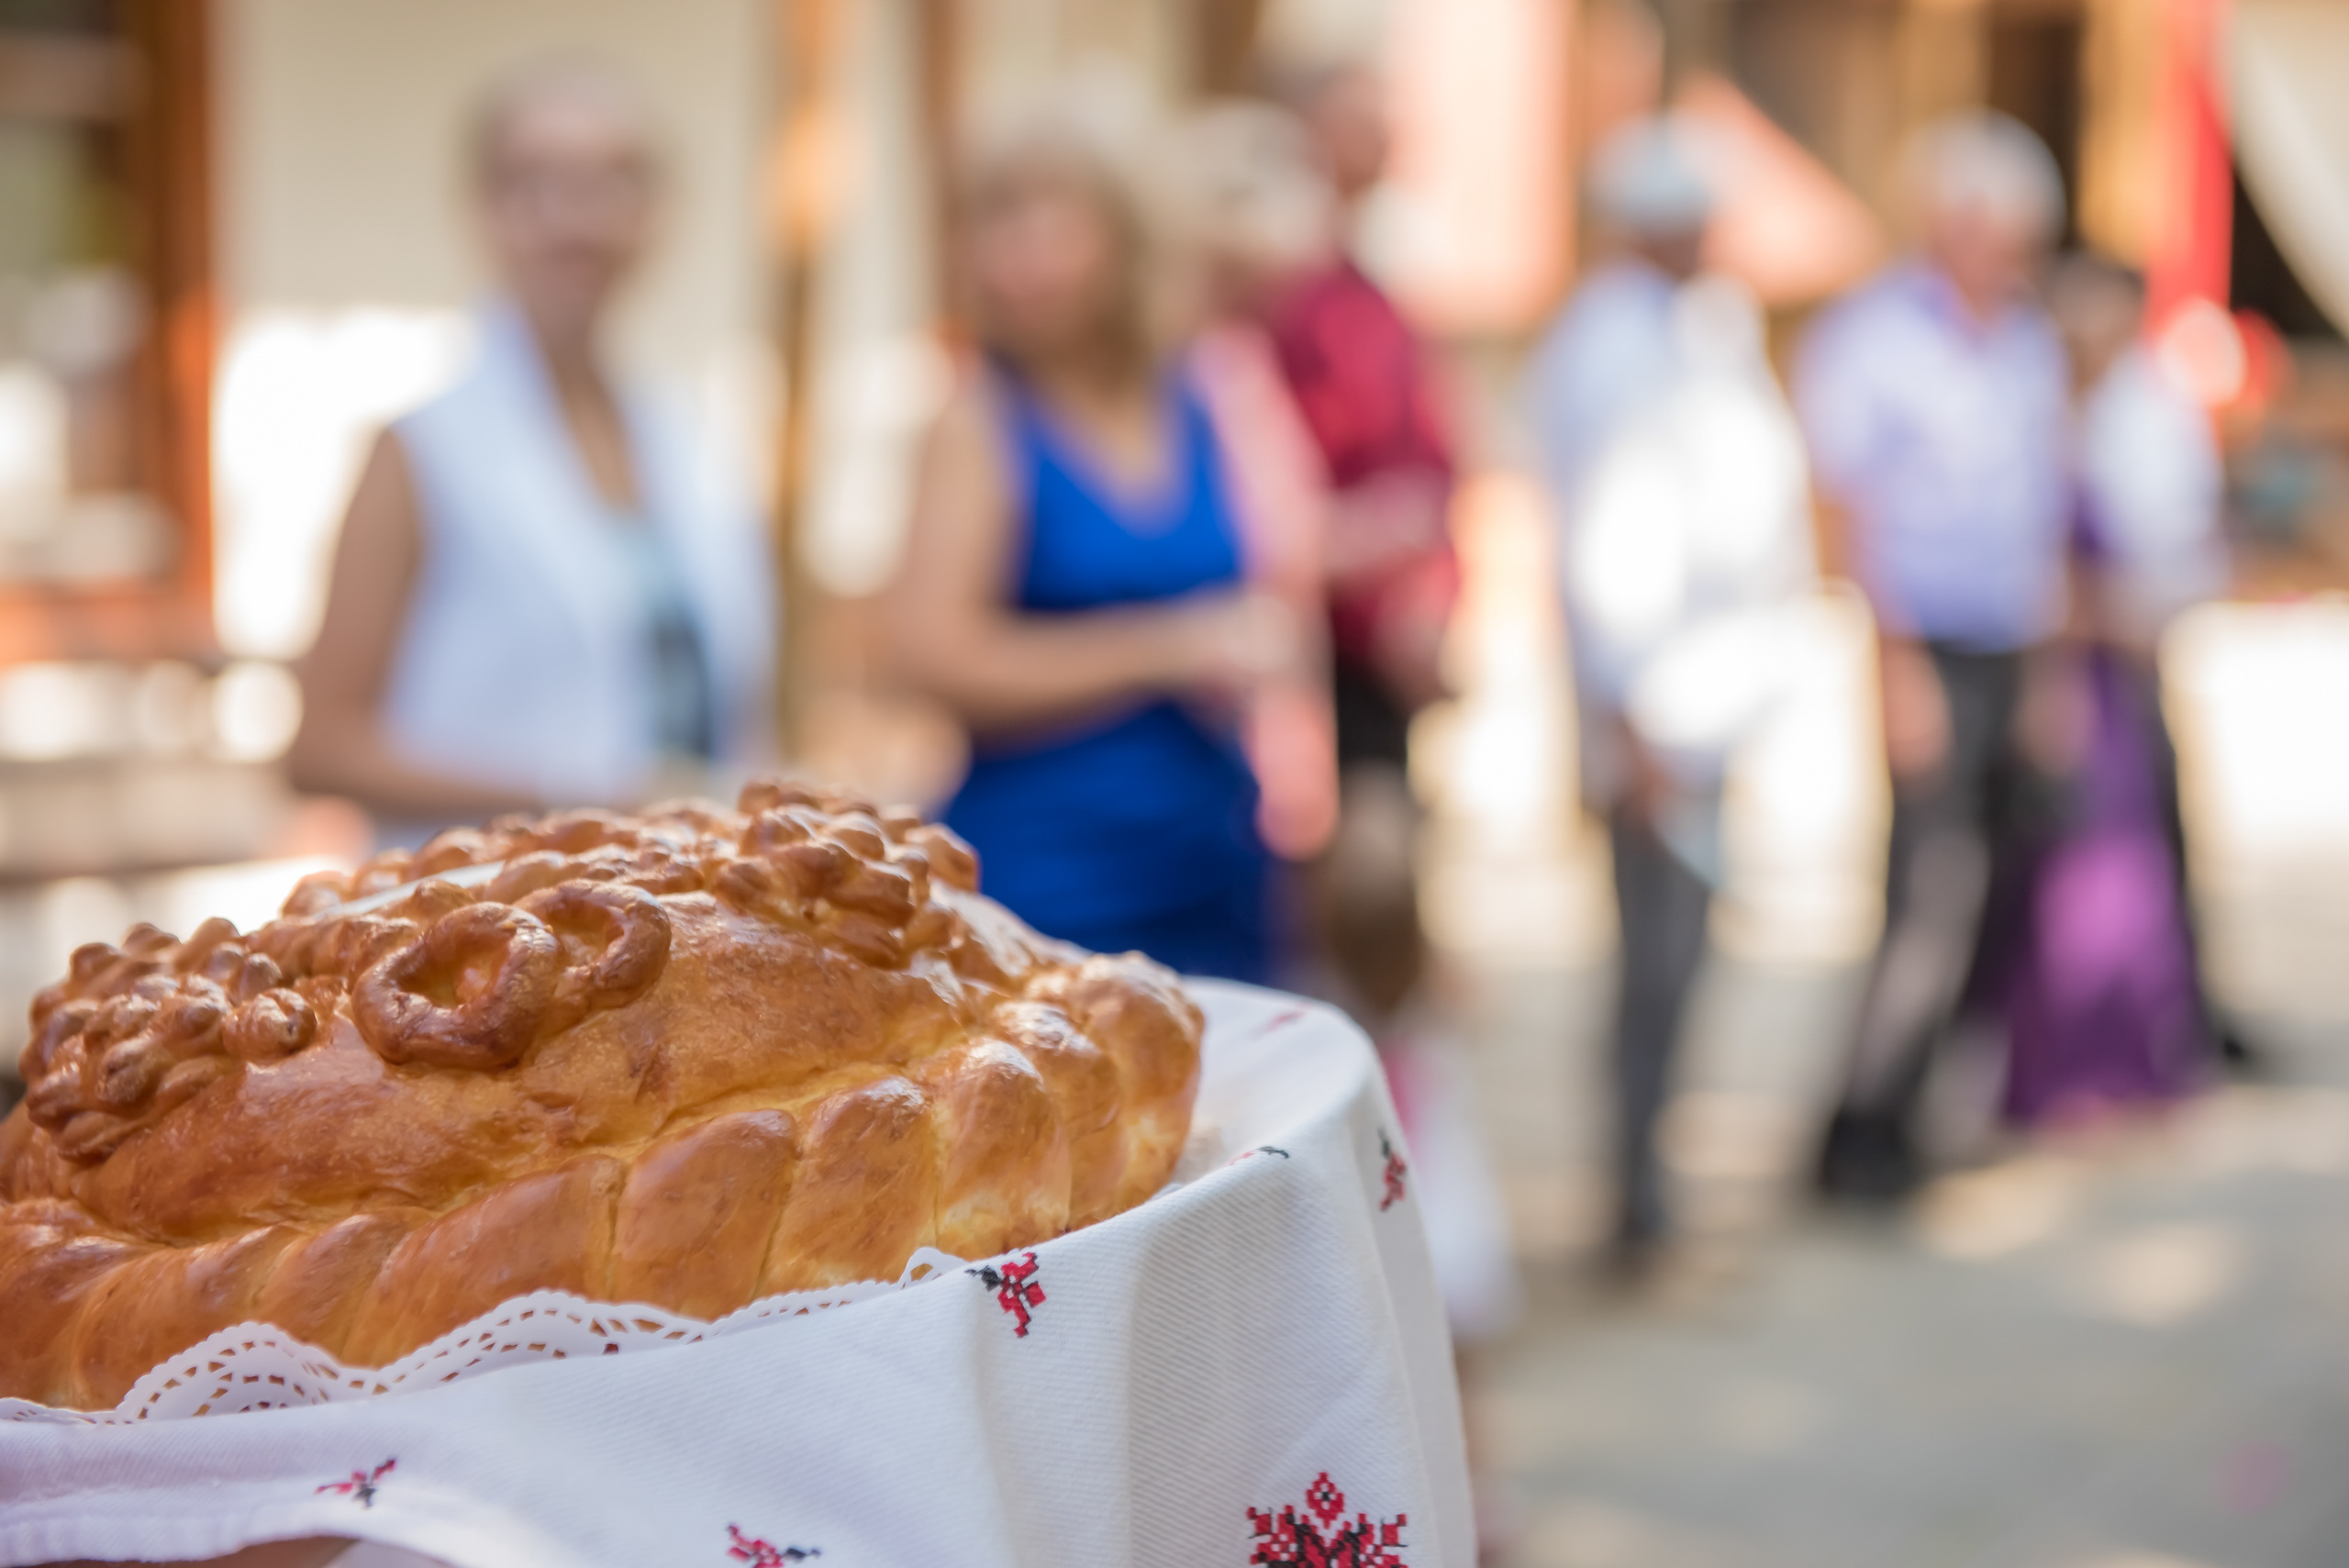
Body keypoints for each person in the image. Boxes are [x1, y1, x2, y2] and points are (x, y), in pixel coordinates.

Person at [290, 58, 774, 838]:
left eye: (612, 184)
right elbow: (319, 749)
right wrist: (583, 795)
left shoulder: (693, 444)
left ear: (657, 213)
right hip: (480, 923)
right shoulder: (420, 452)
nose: (576, 221)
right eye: (537, 184)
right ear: (484, 210)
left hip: (677, 922)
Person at [886, 100, 1306, 983]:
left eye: (1049, 218)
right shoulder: (978, 417)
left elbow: (1274, 586)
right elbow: (930, 654)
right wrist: (1160, 651)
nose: (1018, 255)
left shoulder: (1202, 390)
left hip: (1219, 857)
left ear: (1128, 233)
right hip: (1055, 883)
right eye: (996, 220)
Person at [1526, 116, 1818, 1261]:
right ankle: (1632, 1198)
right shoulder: (1609, 344)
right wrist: (1628, 720)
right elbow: (1607, 550)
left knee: (1682, 953)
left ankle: (1647, 1184)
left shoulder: (1696, 330)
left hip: (1707, 698)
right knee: (1655, 959)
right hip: (1656, 711)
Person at [1796, 112, 2074, 1196]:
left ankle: (1927, 1100)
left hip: (2011, 640)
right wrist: (1895, 669)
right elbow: (1848, 512)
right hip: (1927, 643)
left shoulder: (2026, 342)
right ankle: (1862, 1121)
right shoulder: (1872, 337)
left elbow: (2039, 514)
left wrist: (2045, 675)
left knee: (2006, 877)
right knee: (1925, 889)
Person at [2001, 254, 2225, 1122]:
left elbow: (2185, 550)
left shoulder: (2149, 416)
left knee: (2129, 874)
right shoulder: (2032, 420)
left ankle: (2137, 1050)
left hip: (2120, 670)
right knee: (2067, 882)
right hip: (2065, 673)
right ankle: (2058, 1067)